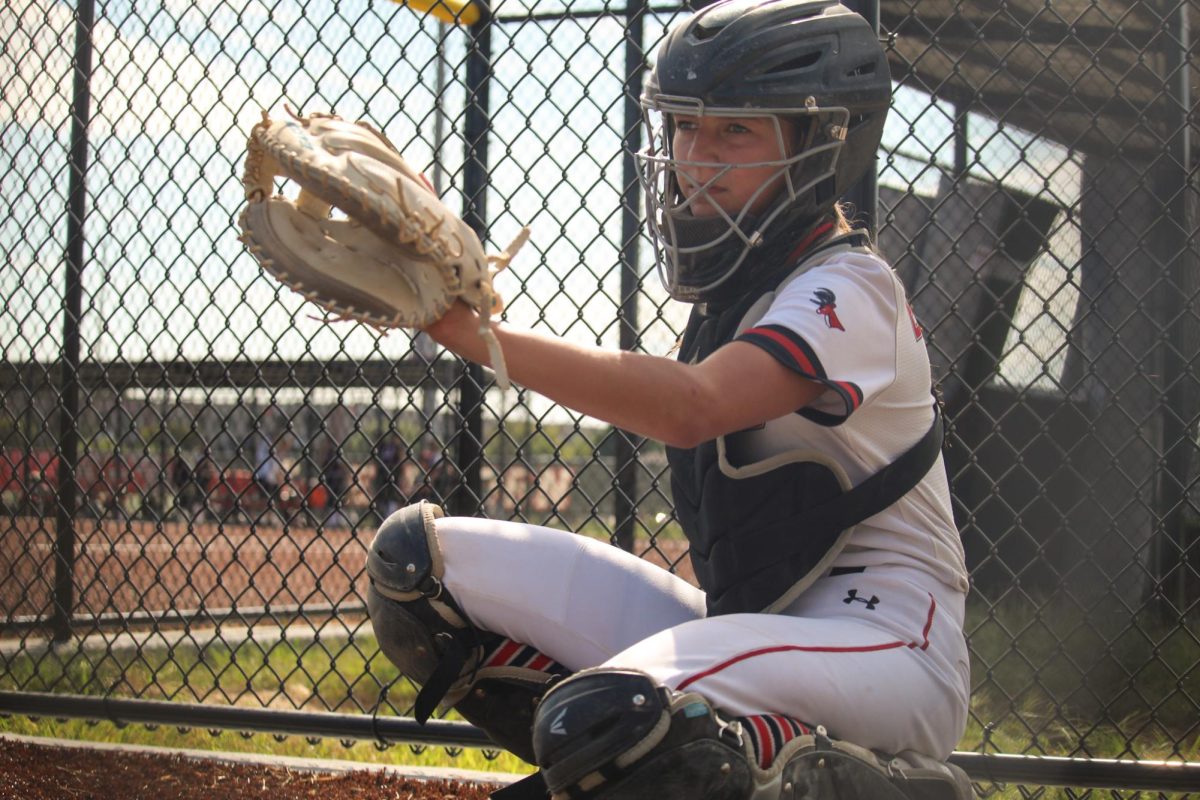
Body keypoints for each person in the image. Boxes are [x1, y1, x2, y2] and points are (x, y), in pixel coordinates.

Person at [365, 2, 973, 798]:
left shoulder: (852, 286)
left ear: (822, 144)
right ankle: (634, 766)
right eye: (685, 125)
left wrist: (468, 331)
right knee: (417, 570)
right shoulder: (733, 294)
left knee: (615, 714)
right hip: (758, 632)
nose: (696, 156)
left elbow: (691, 405)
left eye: (736, 132)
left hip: (884, 644)